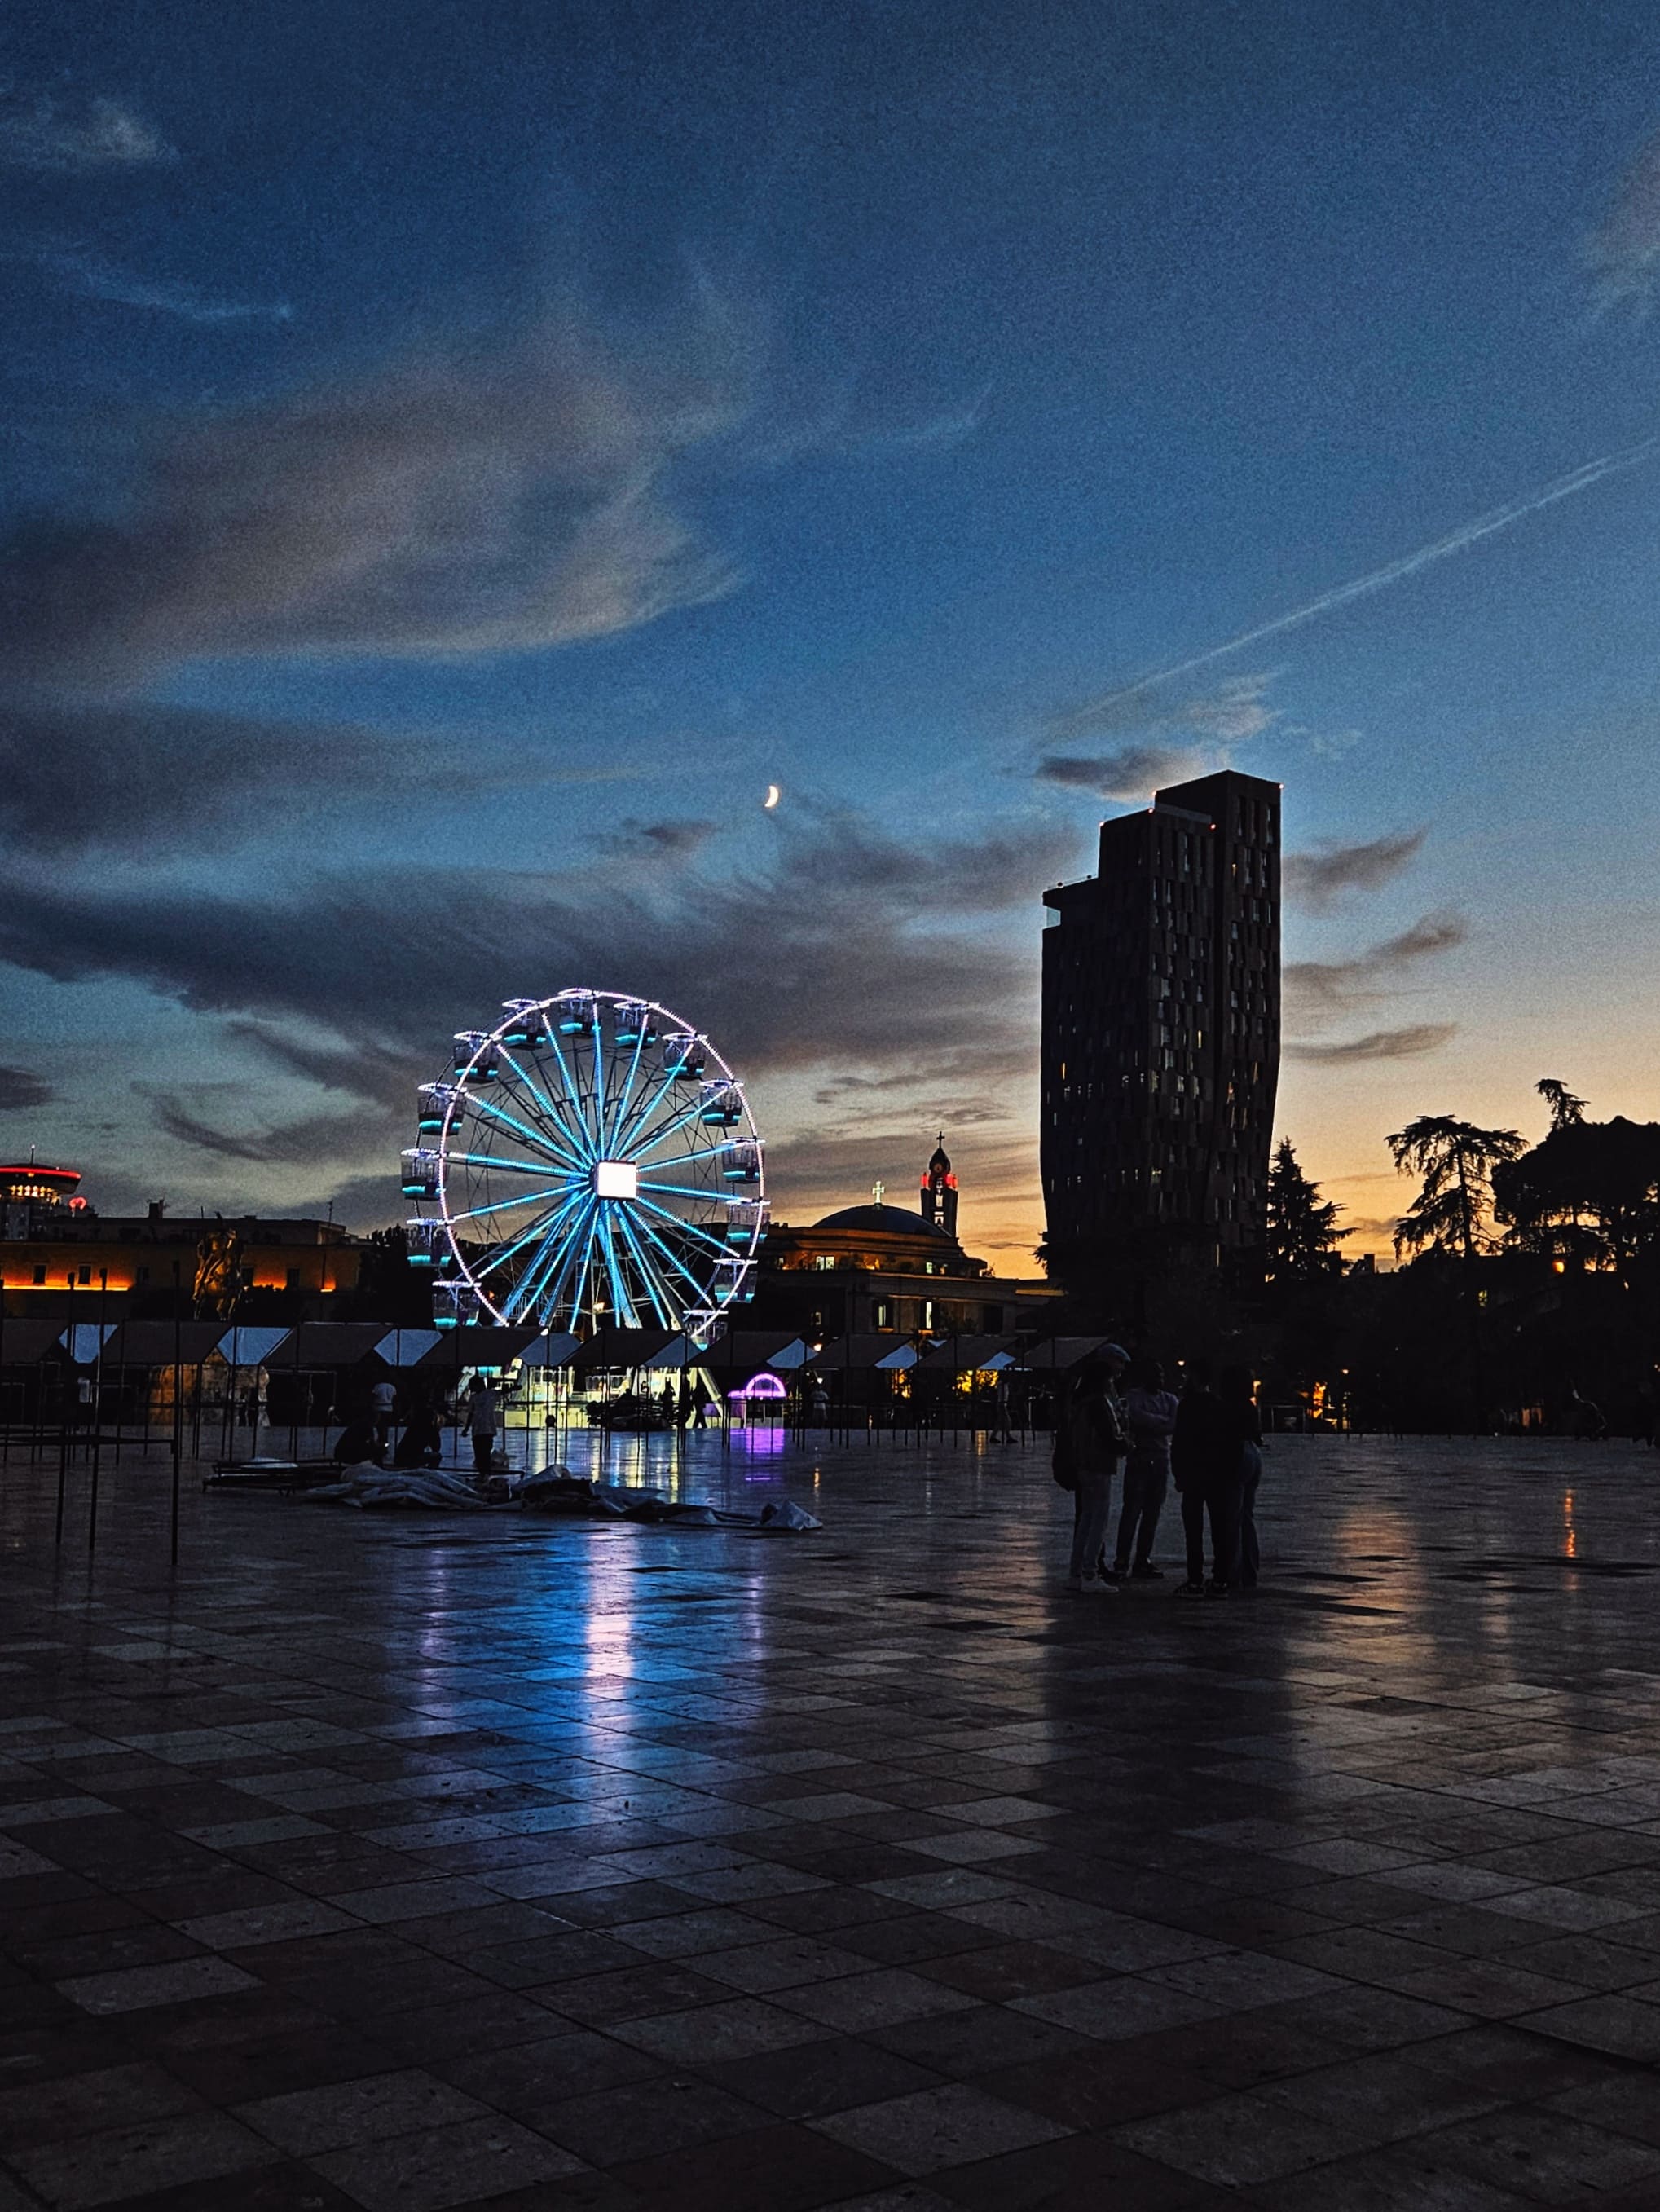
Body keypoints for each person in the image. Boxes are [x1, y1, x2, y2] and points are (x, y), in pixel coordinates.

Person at [1060, 1345, 1129, 1594]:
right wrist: (1128, 1446)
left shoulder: (1081, 1399)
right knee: (1098, 1519)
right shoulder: (1099, 1402)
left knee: (1086, 1519)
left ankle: (1076, 1572)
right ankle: (1090, 1573)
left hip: (1083, 1463)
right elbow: (1110, 1435)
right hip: (1098, 1463)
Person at [1171, 1358, 1239, 1598]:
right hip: (1218, 1475)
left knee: (1194, 1530)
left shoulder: (1187, 1406)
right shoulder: (1220, 1406)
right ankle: (1220, 1579)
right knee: (1220, 1529)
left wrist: (1178, 1472)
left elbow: (1179, 1443)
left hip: (1194, 1475)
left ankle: (1195, 1580)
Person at [1110, 1358, 1179, 1580]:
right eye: (1155, 1374)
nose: (1160, 1379)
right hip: (1141, 1457)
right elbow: (1140, 1418)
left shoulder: (1169, 1399)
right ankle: (1122, 1560)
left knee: (1152, 1512)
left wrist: (1151, 1423)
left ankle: (1142, 1559)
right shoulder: (1135, 1396)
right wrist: (1161, 1422)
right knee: (1132, 1511)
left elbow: (1173, 1425)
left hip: (1159, 1459)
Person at [1219, 1362, 1264, 1588]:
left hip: (1237, 1453)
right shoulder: (1248, 1406)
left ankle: (1231, 1572)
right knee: (1246, 1516)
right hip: (1253, 1454)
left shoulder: (1229, 1406)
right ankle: (1249, 1570)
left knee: (1232, 1517)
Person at [462, 1375, 500, 1473]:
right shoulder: (474, 1397)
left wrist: (466, 1428)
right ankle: (482, 1473)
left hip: (487, 1429)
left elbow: (503, 1392)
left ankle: (485, 1473)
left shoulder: (490, 1394)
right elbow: (471, 1414)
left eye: (472, 1386)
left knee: (485, 1453)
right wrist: (466, 1429)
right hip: (478, 1430)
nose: (471, 1388)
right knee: (479, 1453)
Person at [393, 1404, 443, 1469]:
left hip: (400, 1459)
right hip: (411, 1459)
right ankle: (431, 1471)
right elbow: (436, 1448)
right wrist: (436, 1430)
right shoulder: (429, 1429)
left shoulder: (414, 1426)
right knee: (437, 1456)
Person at [369, 1374, 397, 1455]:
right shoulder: (392, 1387)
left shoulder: (378, 1386)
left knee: (380, 1428)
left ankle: (381, 1445)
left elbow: (373, 1396)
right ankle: (384, 1444)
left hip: (379, 1408)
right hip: (389, 1408)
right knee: (385, 1428)